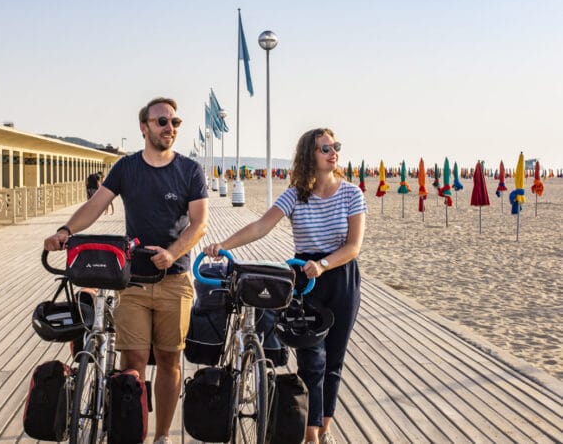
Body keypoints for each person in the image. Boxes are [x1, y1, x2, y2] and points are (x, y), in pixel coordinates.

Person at [45, 97, 208, 444]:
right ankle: (130, 431)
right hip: (131, 279)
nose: (170, 128)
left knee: (168, 362)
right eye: (162, 122)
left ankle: (163, 435)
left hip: (174, 278)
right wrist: (65, 232)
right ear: (144, 127)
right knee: (132, 362)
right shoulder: (126, 168)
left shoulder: (190, 170)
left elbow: (199, 224)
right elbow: (95, 206)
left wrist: (173, 251)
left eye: (175, 122)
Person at [203, 128, 366, 444]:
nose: (333, 153)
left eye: (336, 147)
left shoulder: (351, 194)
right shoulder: (295, 194)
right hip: (305, 280)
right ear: (310, 155)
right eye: (325, 148)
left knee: (333, 359)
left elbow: (353, 246)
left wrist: (324, 264)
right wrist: (223, 244)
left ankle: (322, 429)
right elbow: (261, 226)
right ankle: (311, 433)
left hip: (341, 277)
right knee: (310, 359)